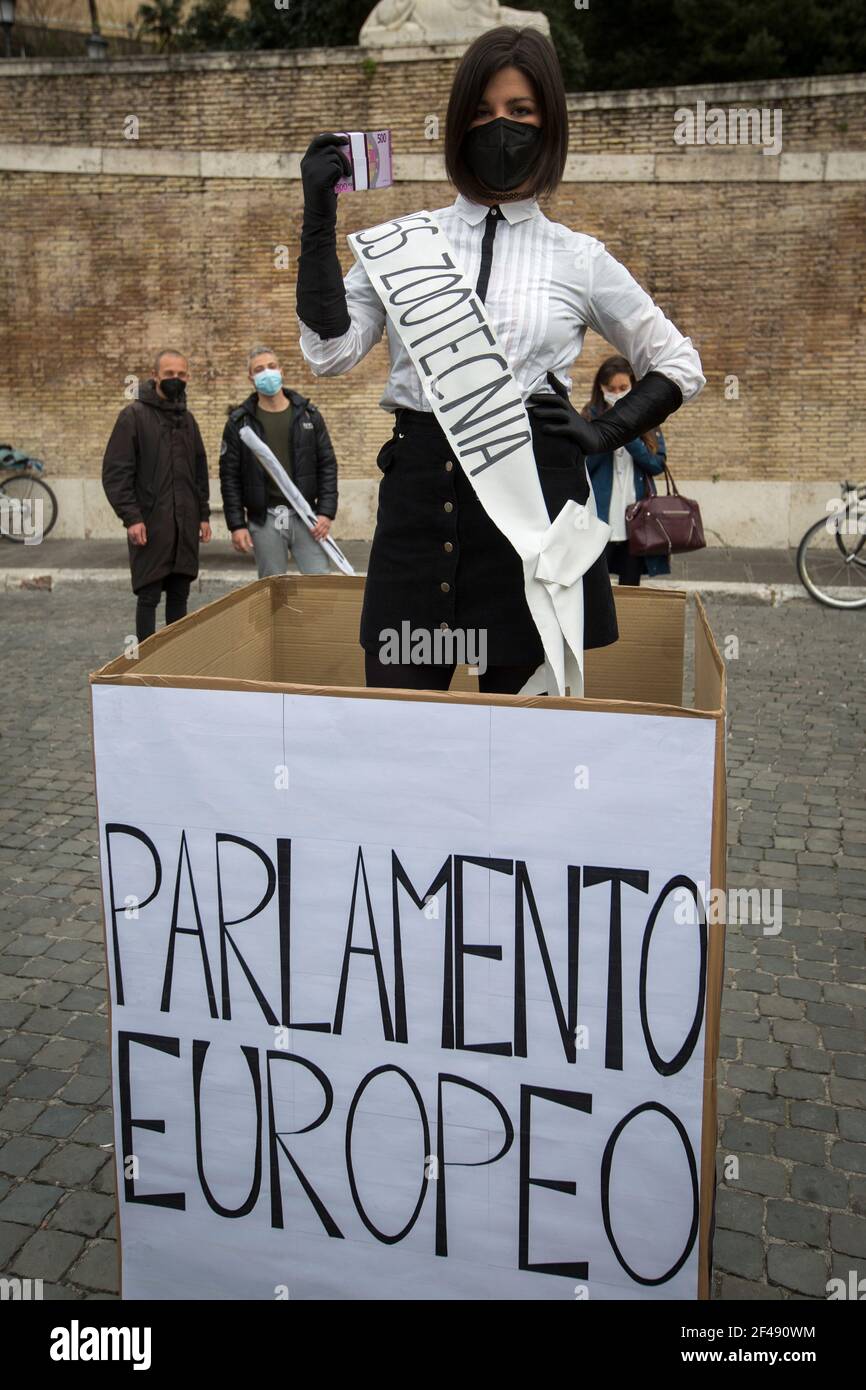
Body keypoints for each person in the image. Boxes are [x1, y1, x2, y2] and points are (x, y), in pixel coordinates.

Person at [295, 25, 704, 694]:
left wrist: (603, 432)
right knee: (400, 721)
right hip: (419, 505)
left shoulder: (578, 258)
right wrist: (317, 221)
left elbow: (679, 362)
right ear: (459, 124)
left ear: (548, 126)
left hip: (530, 513)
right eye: (483, 112)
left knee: (519, 745)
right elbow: (330, 350)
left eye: (520, 113)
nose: (500, 128)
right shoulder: (407, 243)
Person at [102, 349, 211, 643]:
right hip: (150, 523)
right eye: (169, 374)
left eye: (181, 374)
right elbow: (116, 472)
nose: (176, 379)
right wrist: (131, 517)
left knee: (180, 594)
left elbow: (200, 472)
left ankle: (175, 660)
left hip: (184, 524)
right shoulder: (133, 416)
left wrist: (203, 515)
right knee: (149, 594)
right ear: (155, 376)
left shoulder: (188, 420)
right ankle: (146, 664)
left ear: (187, 377)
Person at [219, 345, 338, 578]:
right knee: (272, 589)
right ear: (250, 377)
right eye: (259, 369)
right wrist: (237, 525)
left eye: (272, 367)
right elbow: (229, 476)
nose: (267, 373)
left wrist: (326, 511)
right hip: (265, 518)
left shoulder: (308, 415)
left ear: (281, 371)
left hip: (306, 516)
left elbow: (327, 464)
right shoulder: (239, 423)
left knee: (320, 582)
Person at [583, 355, 671, 586]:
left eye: (623, 388)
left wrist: (627, 432)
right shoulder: (589, 418)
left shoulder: (648, 418)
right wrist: (605, 432)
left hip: (636, 522)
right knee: (594, 588)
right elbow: (583, 466)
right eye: (611, 388)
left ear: (633, 386)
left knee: (630, 586)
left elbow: (656, 465)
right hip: (599, 519)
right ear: (601, 388)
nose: (617, 392)